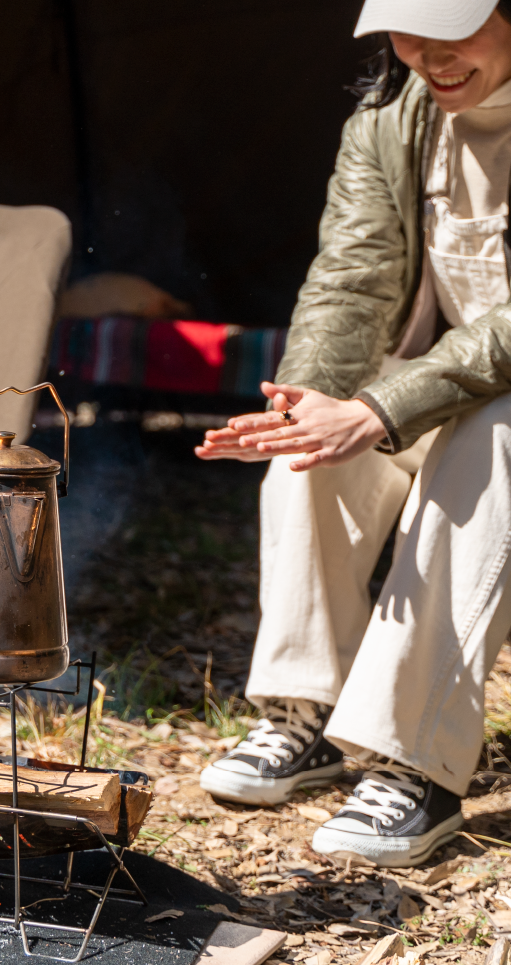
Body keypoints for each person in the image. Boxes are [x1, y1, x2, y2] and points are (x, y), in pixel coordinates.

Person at [196, 0, 511, 867]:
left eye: (456, 32)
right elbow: (352, 275)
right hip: (447, 378)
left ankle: (419, 762)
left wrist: (378, 409)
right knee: (309, 449)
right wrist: (305, 403)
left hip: (493, 404)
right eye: (410, 35)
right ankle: (309, 715)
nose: (430, 58)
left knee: (490, 444)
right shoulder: (390, 119)